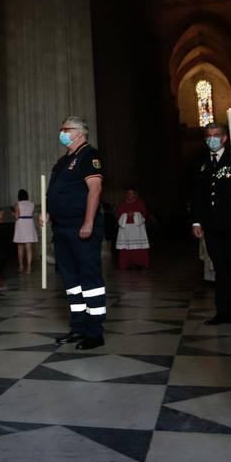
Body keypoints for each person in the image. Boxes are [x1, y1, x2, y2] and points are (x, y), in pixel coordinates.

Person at [43, 116, 106, 350]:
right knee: (71, 281)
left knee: (89, 279)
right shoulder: (62, 162)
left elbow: (95, 190)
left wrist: (88, 222)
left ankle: (94, 331)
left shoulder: (90, 156)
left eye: (65, 129)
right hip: (61, 228)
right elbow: (53, 193)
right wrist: (48, 213)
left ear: (79, 133)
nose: (62, 133)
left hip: (81, 227)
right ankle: (78, 326)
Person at [189, 123, 231, 328]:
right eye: (208, 136)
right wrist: (196, 221)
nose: (211, 139)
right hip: (212, 225)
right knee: (220, 269)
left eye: (215, 135)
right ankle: (223, 311)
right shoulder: (201, 162)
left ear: (224, 138)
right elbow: (197, 194)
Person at [114, 188, 151, 270]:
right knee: (125, 247)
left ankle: (139, 263)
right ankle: (127, 263)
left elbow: (144, 213)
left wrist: (135, 214)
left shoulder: (140, 203)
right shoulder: (122, 204)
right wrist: (126, 215)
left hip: (138, 229)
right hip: (125, 228)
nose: (129, 195)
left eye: (131, 193)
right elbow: (117, 215)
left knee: (139, 247)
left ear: (135, 195)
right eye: (128, 193)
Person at [12, 188, 37, 274]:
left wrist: (13, 213)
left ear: (19, 196)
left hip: (21, 224)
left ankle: (21, 266)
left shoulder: (17, 204)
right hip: (29, 223)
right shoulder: (32, 204)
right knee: (29, 248)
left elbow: (16, 217)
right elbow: (31, 213)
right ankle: (29, 267)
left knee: (20, 247)